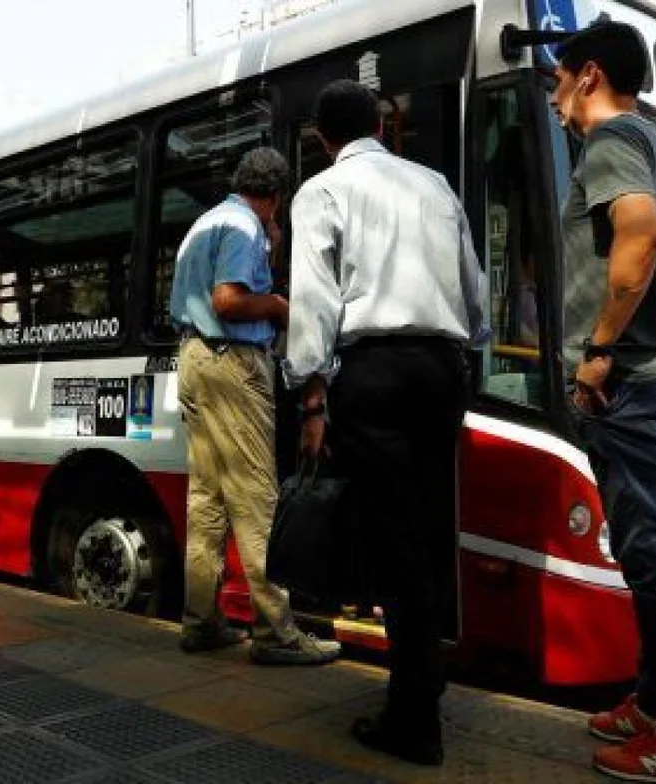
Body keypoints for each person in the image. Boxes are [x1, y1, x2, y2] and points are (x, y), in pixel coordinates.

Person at [285, 79, 487, 766]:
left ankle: (413, 720)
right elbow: (475, 290)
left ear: (321, 137)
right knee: (428, 533)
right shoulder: (433, 183)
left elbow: (313, 300)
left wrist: (312, 397)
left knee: (397, 542)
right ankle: (423, 685)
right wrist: (466, 343)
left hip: (374, 373)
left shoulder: (322, 191)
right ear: (379, 122)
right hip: (444, 367)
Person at [549, 22, 656, 783]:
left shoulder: (612, 140)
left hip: (636, 380)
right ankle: (654, 706)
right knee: (654, 557)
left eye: (559, 79)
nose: (556, 96)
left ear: (589, 77)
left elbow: (640, 237)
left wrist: (597, 352)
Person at [168, 147, 339, 666]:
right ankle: (276, 632)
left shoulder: (206, 222)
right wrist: (283, 306)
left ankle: (202, 620)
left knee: (209, 498)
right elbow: (229, 299)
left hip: (195, 360)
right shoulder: (244, 226)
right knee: (256, 496)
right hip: (233, 362)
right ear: (276, 196)